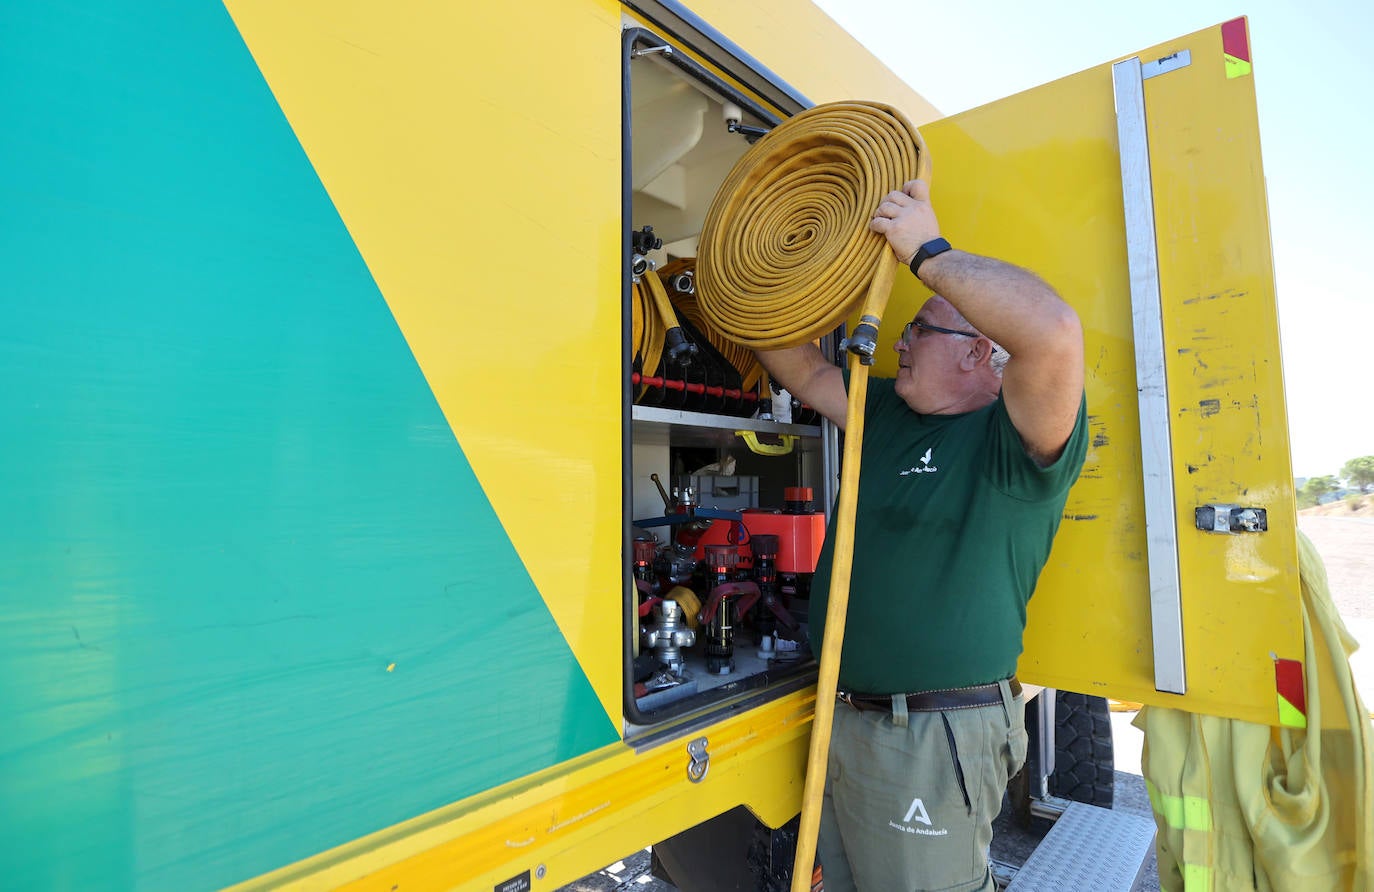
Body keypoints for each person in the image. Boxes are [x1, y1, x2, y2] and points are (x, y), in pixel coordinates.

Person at [755, 179, 1088, 892]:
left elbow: (1055, 332)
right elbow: (806, 369)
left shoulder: (1015, 442)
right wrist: (752, 284)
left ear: (977, 353)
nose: (898, 343)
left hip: (934, 737)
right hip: (847, 721)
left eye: (918, 330)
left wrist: (929, 254)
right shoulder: (888, 415)